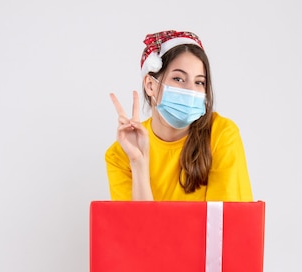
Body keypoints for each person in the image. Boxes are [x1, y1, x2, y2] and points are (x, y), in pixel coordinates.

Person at [105, 30, 253, 201]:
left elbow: (226, 223)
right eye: (179, 79)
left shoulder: (221, 134)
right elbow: (138, 227)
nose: (191, 90)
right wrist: (138, 162)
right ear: (150, 85)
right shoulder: (121, 154)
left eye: (199, 82)